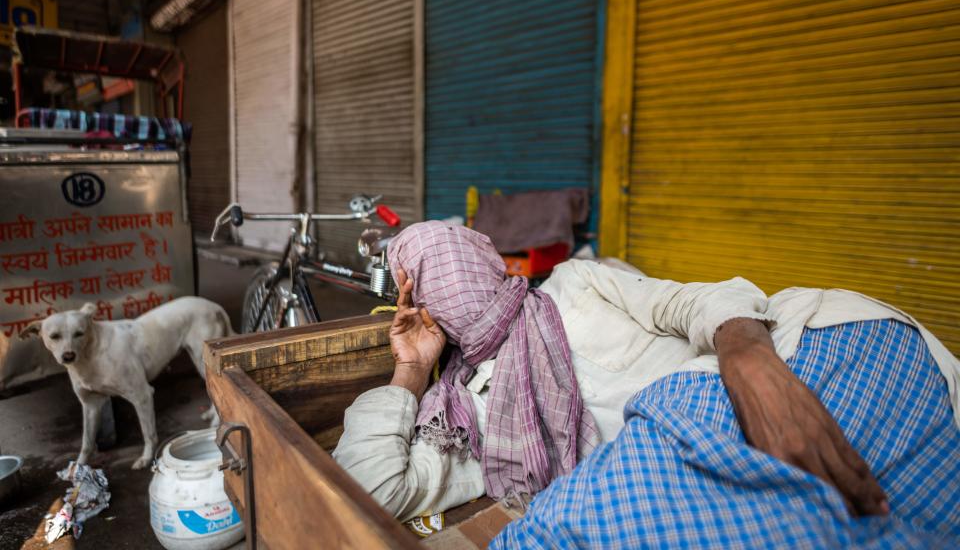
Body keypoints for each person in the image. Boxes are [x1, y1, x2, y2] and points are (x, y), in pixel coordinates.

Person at [332, 221, 960, 546]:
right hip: (675, 471)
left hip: (773, 366)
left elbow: (692, 302)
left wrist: (748, 358)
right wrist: (412, 369)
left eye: (440, 265)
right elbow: (373, 490)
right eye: (423, 281)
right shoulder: (466, 410)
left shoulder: (574, 285)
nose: (444, 285)